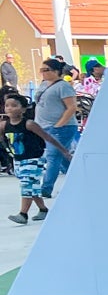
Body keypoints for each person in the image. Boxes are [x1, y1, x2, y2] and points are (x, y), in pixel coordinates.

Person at [3, 93, 72, 224]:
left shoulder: (29, 124)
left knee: (26, 185)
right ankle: (43, 209)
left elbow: (48, 137)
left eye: (14, 105)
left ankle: (23, 214)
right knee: (32, 186)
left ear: (23, 109)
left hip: (33, 159)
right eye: (7, 106)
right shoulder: (4, 126)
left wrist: (64, 151)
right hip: (18, 160)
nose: (10, 108)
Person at [33, 58, 78, 200]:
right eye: (42, 70)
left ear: (56, 71)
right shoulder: (44, 85)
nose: (43, 73)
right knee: (62, 158)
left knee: (53, 156)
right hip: (44, 127)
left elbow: (71, 107)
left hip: (61, 128)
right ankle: (80, 176)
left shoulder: (63, 86)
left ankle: (45, 189)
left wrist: (59, 124)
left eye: (46, 70)